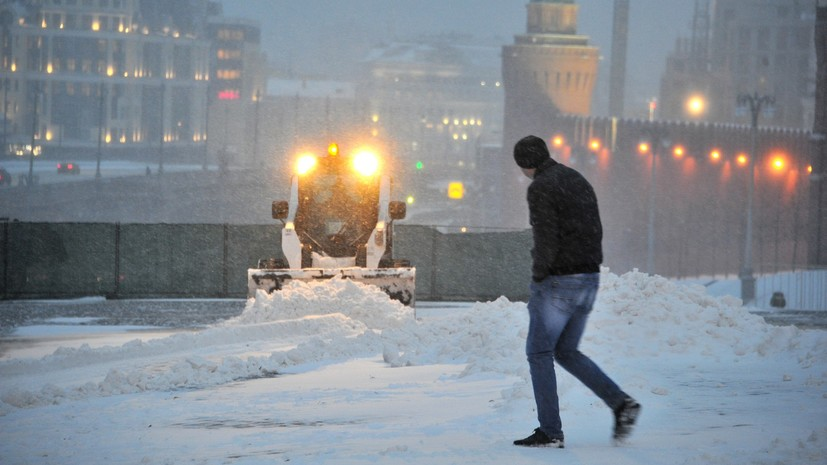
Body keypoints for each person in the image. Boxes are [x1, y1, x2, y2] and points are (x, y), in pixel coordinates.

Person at [511, 135, 640, 448]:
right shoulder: (575, 178)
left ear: (527, 165)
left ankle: (550, 431)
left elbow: (546, 236)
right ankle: (621, 404)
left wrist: (539, 275)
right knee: (566, 351)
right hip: (589, 276)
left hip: (559, 281)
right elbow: (594, 227)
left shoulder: (540, 187)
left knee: (538, 352)